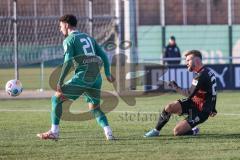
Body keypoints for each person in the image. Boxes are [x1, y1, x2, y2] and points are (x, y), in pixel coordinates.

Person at [37, 14, 115, 140]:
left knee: (56, 99)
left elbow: (68, 62)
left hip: (83, 77)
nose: (60, 29)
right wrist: (107, 73)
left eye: (60, 26)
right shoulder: (88, 37)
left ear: (67, 25)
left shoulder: (69, 40)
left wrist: (60, 81)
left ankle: (54, 132)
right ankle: (109, 133)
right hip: (96, 78)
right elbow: (104, 56)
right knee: (94, 107)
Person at [145, 50, 217, 137]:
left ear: (197, 61)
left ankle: (193, 131)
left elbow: (189, 93)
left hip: (202, 111)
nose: (186, 63)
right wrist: (213, 107)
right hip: (194, 103)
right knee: (169, 107)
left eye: (188, 60)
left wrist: (175, 87)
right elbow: (212, 91)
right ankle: (156, 131)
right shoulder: (207, 72)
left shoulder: (201, 75)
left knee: (177, 132)